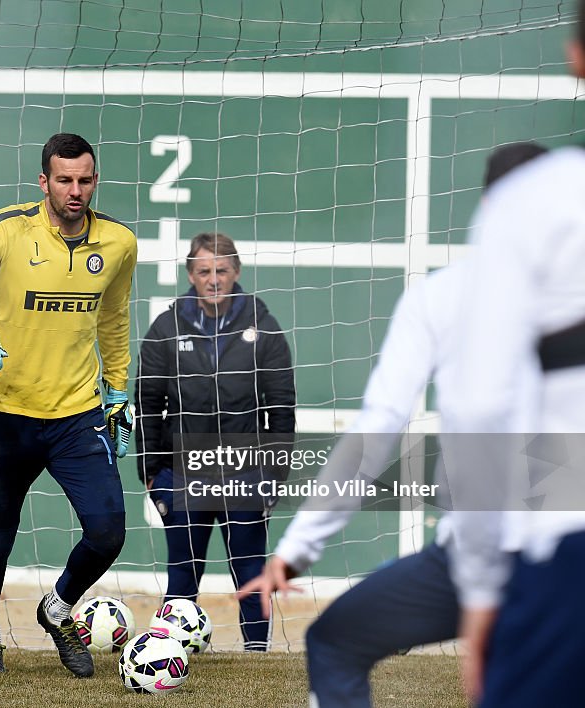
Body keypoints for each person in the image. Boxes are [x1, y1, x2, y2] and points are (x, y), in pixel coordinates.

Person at [236, 141, 547, 707]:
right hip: (536, 554)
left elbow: (378, 430)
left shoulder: (445, 295)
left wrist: (296, 549)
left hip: (488, 553)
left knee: (334, 642)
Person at [0, 133, 137, 676]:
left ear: (96, 179)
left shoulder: (118, 243)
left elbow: (113, 321)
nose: (75, 190)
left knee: (109, 530)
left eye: (84, 180)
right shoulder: (6, 229)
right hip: (4, 414)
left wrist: (117, 391)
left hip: (77, 415)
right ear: (44, 181)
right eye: (63, 180)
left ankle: (58, 607)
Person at [447, 9, 585, 703]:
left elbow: (479, 407)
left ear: (574, 57)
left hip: (568, 537)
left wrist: (478, 591)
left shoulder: (533, 200)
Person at [135, 231, 296, 651]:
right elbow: (148, 403)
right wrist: (151, 472)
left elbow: (281, 407)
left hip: (245, 475)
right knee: (182, 576)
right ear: (191, 273)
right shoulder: (167, 326)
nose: (213, 279)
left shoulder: (263, 325)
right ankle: (171, 655)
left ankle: (256, 656)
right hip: (185, 474)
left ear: (236, 271)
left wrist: (274, 476)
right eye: (204, 270)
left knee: (250, 574)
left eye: (221, 270)